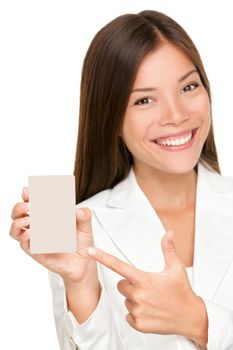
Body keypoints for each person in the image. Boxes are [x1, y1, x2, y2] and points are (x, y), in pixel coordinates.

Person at [9, 9, 233, 350]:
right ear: (110, 117)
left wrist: (198, 321)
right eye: (144, 100)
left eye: (188, 86)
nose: (177, 115)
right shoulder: (81, 231)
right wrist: (81, 284)